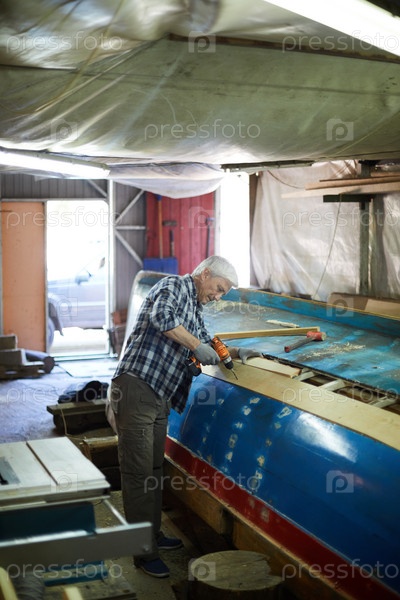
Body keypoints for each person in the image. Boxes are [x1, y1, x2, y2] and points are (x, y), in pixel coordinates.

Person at [108, 256, 260, 578]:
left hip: (159, 395)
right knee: (138, 475)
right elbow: (162, 317)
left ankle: (151, 535)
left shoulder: (195, 308)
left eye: (223, 293)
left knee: (153, 470)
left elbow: (208, 342)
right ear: (204, 274)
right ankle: (142, 552)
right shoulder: (174, 287)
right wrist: (195, 345)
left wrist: (235, 353)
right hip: (137, 388)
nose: (217, 296)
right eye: (218, 288)